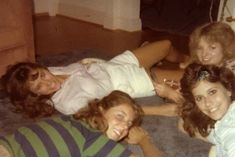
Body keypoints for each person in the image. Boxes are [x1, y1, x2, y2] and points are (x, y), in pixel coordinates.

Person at [0, 90, 167, 157]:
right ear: (101, 109)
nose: (125, 126)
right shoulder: (97, 141)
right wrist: (145, 141)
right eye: (120, 116)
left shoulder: (71, 118)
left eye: (129, 124)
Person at [1, 40, 186, 118]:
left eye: (42, 75)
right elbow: (105, 111)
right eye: (39, 87)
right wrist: (160, 110)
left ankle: (186, 60)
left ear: (41, 68)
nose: (48, 82)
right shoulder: (68, 104)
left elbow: (76, 68)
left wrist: (90, 63)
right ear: (35, 96)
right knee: (192, 78)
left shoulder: (51, 70)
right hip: (130, 82)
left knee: (166, 45)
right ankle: (164, 70)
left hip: (114, 64)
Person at [152, 21, 235, 103]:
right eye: (200, 48)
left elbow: (205, 106)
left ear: (225, 48)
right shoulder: (212, 68)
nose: (204, 54)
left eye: (212, 48)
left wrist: (171, 94)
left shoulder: (227, 74)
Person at [180, 63, 235, 157]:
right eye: (199, 98)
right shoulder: (224, 123)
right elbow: (184, 126)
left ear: (228, 89)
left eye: (212, 92)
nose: (208, 103)